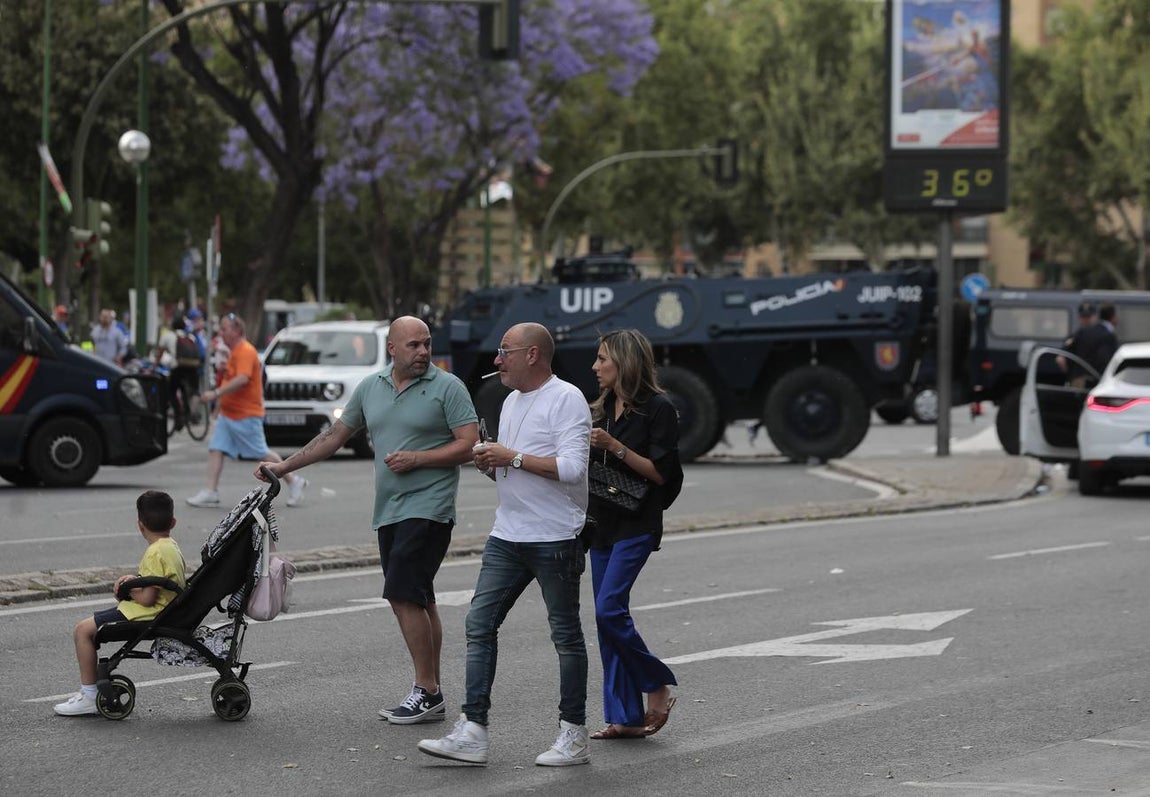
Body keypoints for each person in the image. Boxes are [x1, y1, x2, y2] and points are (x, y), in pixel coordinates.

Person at [255, 316, 479, 724]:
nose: (423, 352)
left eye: (427, 343)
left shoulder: (449, 387)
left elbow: (469, 445)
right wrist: (284, 466)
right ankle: (433, 691)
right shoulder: (371, 387)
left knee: (401, 593)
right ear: (392, 348)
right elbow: (334, 436)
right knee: (420, 595)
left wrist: (419, 459)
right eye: (413, 345)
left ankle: (426, 690)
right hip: (389, 508)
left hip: (429, 507)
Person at [418, 322, 592, 767]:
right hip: (507, 534)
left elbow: (572, 468)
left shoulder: (567, 398)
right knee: (479, 624)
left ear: (532, 354)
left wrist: (509, 457)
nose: (497, 361)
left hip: (555, 536)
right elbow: (513, 465)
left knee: (565, 636)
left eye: (504, 351)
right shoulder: (510, 399)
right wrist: (491, 463)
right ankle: (473, 730)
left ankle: (573, 733)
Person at [584, 329, 683, 740]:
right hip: (601, 522)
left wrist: (615, 446)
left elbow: (664, 473)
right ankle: (624, 716)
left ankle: (655, 683)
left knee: (609, 610)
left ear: (624, 362)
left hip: (638, 522)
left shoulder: (658, 409)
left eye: (602, 358)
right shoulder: (599, 409)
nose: (595, 366)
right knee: (606, 621)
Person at [54, 490, 187, 716]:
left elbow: (147, 598)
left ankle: (89, 695)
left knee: (82, 631)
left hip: (148, 614)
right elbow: (156, 583)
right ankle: (91, 691)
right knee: (87, 628)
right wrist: (136, 582)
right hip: (164, 610)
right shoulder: (170, 546)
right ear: (173, 522)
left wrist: (128, 591)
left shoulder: (154, 552)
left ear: (139, 525)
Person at [186, 313, 308, 508]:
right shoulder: (234, 352)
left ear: (237, 331)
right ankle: (210, 491)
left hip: (246, 413)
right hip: (230, 413)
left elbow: (242, 379)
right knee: (216, 448)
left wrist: (215, 393)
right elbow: (232, 379)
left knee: (262, 453)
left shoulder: (245, 351)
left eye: (225, 329)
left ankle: (294, 481)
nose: (221, 333)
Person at [1062, 303, 1119, 388]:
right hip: (1097, 380)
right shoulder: (1105, 334)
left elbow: (1061, 359)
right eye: (1083, 317)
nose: (1086, 320)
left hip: (1081, 380)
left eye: (1088, 317)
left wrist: (1072, 375)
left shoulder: (1079, 334)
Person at [169, 317, 204, 430]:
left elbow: (160, 353)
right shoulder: (191, 337)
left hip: (179, 367)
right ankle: (191, 412)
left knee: (170, 390)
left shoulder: (170, 336)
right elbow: (201, 351)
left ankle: (178, 414)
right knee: (194, 390)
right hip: (193, 367)